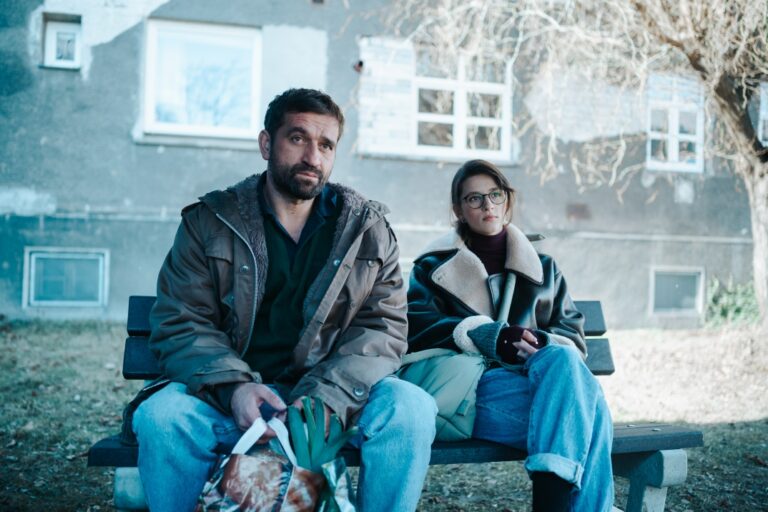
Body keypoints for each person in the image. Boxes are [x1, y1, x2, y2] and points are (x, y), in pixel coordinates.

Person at [132, 88, 437, 512]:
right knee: (162, 418)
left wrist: (327, 398)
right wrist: (235, 389)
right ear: (266, 144)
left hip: (333, 403)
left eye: (326, 145)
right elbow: (182, 320)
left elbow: (381, 328)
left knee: (411, 408)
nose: (313, 156)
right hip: (229, 401)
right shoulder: (210, 222)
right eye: (297, 138)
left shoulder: (367, 230)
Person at [406, 159, 614, 511]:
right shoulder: (432, 266)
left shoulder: (544, 269)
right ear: (458, 210)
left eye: (495, 194)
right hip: (470, 391)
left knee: (563, 359)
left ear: (507, 200)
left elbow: (572, 340)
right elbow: (415, 326)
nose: (487, 205)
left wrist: (538, 345)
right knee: (591, 415)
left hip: (540, 385)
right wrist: (484, 334)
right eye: (474, 198)